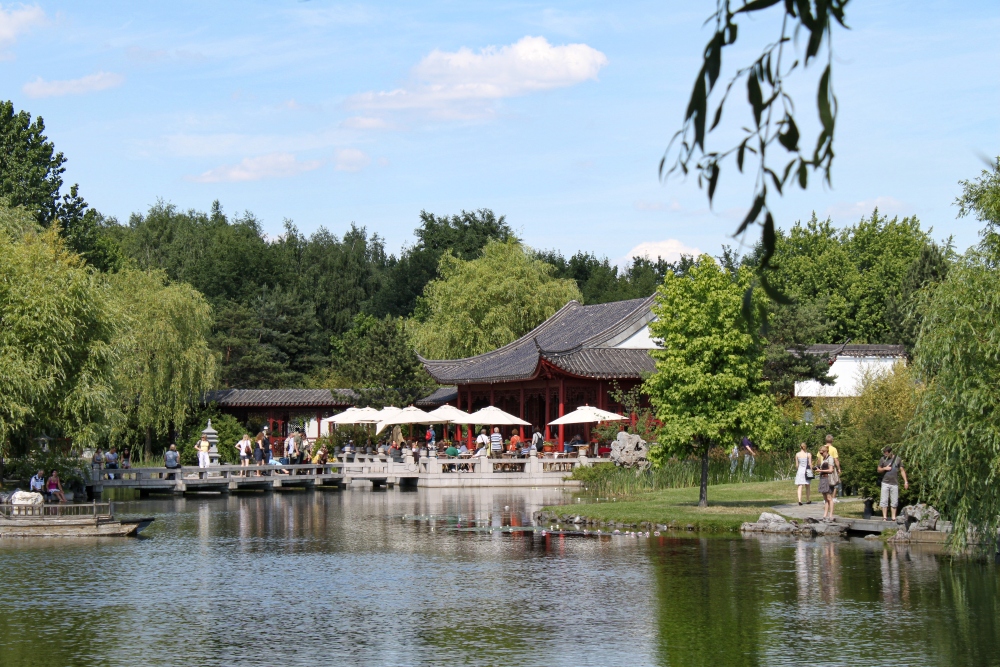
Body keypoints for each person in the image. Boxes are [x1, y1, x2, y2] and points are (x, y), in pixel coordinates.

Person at [878, 446, 909, 521]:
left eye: (887, 454)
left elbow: (902, 470)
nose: (885, 455)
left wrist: (905, 481)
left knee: (894, 501)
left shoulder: (898, 459)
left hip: (894, 483)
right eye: (884, 454)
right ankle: (884, 517)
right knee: (884, 500)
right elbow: (878, 469)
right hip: (885, 482)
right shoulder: (882, 459)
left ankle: (893, 517)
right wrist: (885, 468)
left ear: (890, 452)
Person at [815, 445, 836, 522]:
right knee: (825, 498)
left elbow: (831, 470)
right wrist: (819, 469)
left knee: (829, 497)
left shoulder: (830, 458)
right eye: (820, 453)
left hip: (828, 479)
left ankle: (831, 515)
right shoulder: (823, 459)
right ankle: (825, 514)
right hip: (822, 478)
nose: (821, 454)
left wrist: (820, 471)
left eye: (822, 453)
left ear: (826, 451)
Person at [823, 434, 842, 502]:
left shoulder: (822, 448)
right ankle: (833, 498)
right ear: (832, 440)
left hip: (824, 468)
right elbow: (836, 459)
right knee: (835, 482)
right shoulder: (833, 449)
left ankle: (826, 498)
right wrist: (839, 468)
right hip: (831, 468)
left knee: (825, 482)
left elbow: (819, 459)